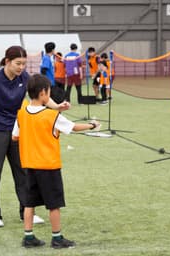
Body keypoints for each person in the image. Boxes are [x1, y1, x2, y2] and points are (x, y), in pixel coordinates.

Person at [0, 45, 70, 228]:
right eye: (18, 63)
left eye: (24, 64)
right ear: (7, 61)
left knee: (23, 173)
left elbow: (42, 96)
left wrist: (57, 106)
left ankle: (26, 212)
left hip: (18, 130)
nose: (21, 67)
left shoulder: (24, 78)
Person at [12, 74, 100, 249]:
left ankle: (28, 237)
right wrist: (92, 125)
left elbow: (15, 137)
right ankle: (57, 238)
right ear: (44, 93)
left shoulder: (21, 113)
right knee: (54, 205)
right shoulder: (51, 116)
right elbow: (73, 127)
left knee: (29, 203)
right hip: (48, 166)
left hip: (29, 166)